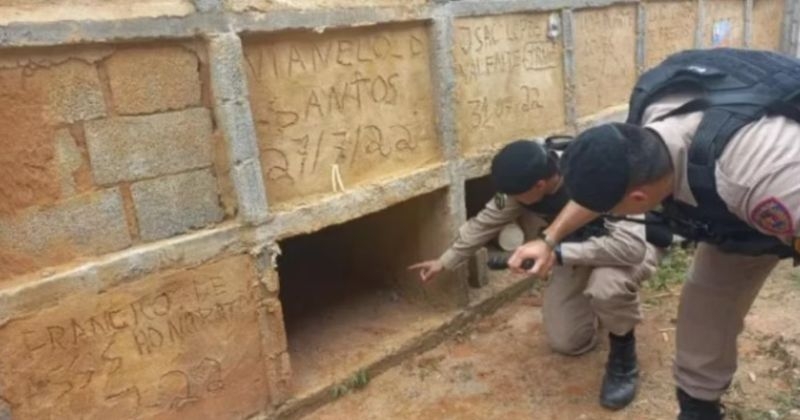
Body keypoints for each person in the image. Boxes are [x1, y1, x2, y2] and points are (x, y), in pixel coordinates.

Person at [507, 48, 800, 419]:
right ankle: (698, 407)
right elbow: (610, 184)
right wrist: (550, 240)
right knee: (705, 305)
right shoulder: (645, 130)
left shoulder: (756, 177)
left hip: (776, 178)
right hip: (734, 207)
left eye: (613, 210)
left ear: (640, 198)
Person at [409, 139, 667, 410]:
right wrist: (445, 260)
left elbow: (630, 249)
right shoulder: (526, 181)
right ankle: (598, 309)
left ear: (540, 185)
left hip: (632, 245)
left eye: (518, 195)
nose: (512, 200)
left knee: (607, 287)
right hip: (577, 249)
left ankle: (623, 355)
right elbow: (486, 221)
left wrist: (557, 254)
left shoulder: (597, 175)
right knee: (567, 341)